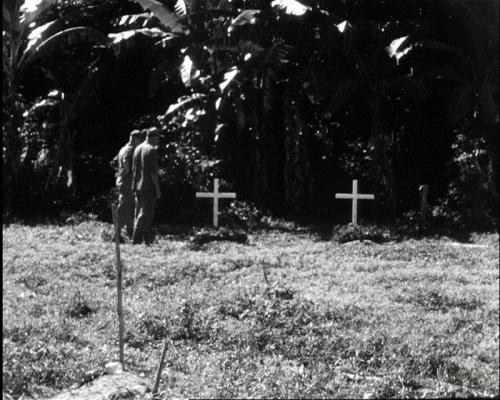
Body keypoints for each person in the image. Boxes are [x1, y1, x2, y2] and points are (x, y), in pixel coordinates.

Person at [112, 129, 144, 238]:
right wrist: (127, 174)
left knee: (127, 206)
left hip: (121, 181)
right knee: (124, 207)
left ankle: (130, 233)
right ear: (136, 139)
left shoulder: (123, 148)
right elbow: (126, 166)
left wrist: (119, 174)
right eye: (140, 140)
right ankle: (116, 234)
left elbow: (114, 163)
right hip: (127, 181)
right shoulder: (130, 150)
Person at [132, 127, 161, 244]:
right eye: (157, 137)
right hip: (147, 186)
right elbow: (153, 172)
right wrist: (158, 189)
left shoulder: (137, 148)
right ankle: (136, 239)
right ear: (153, 137)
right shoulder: (151, 150)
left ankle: (146, 240)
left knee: (139, 211)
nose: (158, 140)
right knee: (147, 213)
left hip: (136, 185)